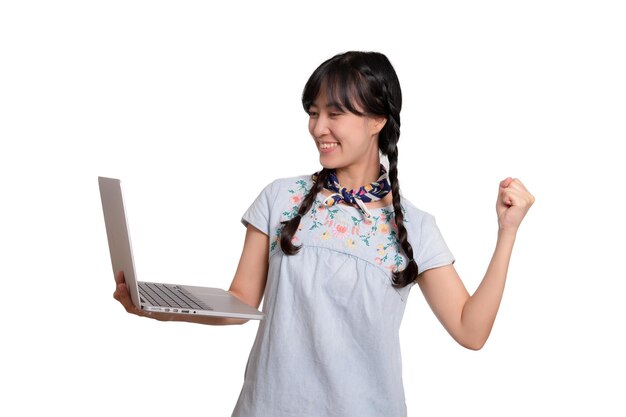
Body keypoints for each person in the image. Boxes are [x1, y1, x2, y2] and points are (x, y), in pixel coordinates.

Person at [113, 51, 534, 417]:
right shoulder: (281, 197)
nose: (318, 128)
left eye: (335, 113)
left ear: (377, 121)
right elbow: (240, 302)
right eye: (314, 113)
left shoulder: (416, 226)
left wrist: (507, 233)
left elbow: (470, 330)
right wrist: (158, 306)